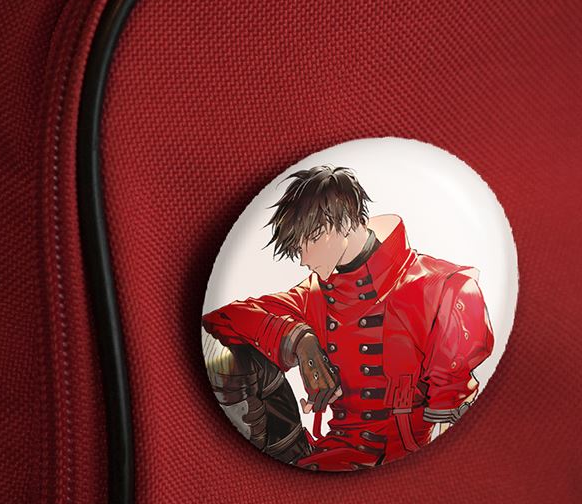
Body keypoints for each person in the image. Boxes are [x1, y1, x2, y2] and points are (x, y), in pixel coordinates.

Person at [201, 165, 494, 470]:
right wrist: (300, 341)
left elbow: (453, 422)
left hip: (411, 468)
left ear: (334, 226)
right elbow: (221, 319)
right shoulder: (315, 295)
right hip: (332, 456)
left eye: (307, 243)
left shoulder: (444, 288)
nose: (303, 260)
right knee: (226, 357)